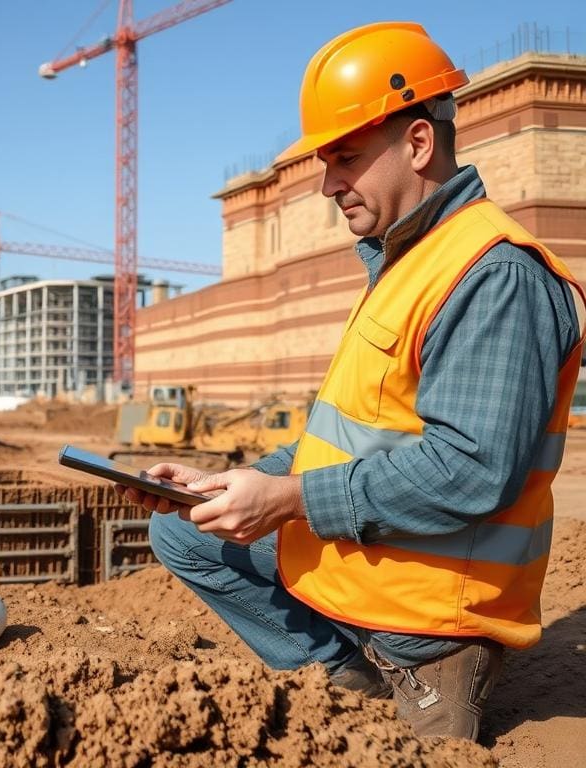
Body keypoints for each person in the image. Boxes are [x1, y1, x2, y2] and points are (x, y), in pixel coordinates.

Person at [117, 21, 585, 741]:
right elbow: (353, 436)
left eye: (346, 159)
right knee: (183, 532)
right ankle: (348, 673)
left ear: (419, 143)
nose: (329, 185)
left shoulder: (493, 275)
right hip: (380, 555)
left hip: (434, 597)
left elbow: (471, 470)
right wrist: (229, 483)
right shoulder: (408, 262)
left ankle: (435, 663)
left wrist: (290, 498)